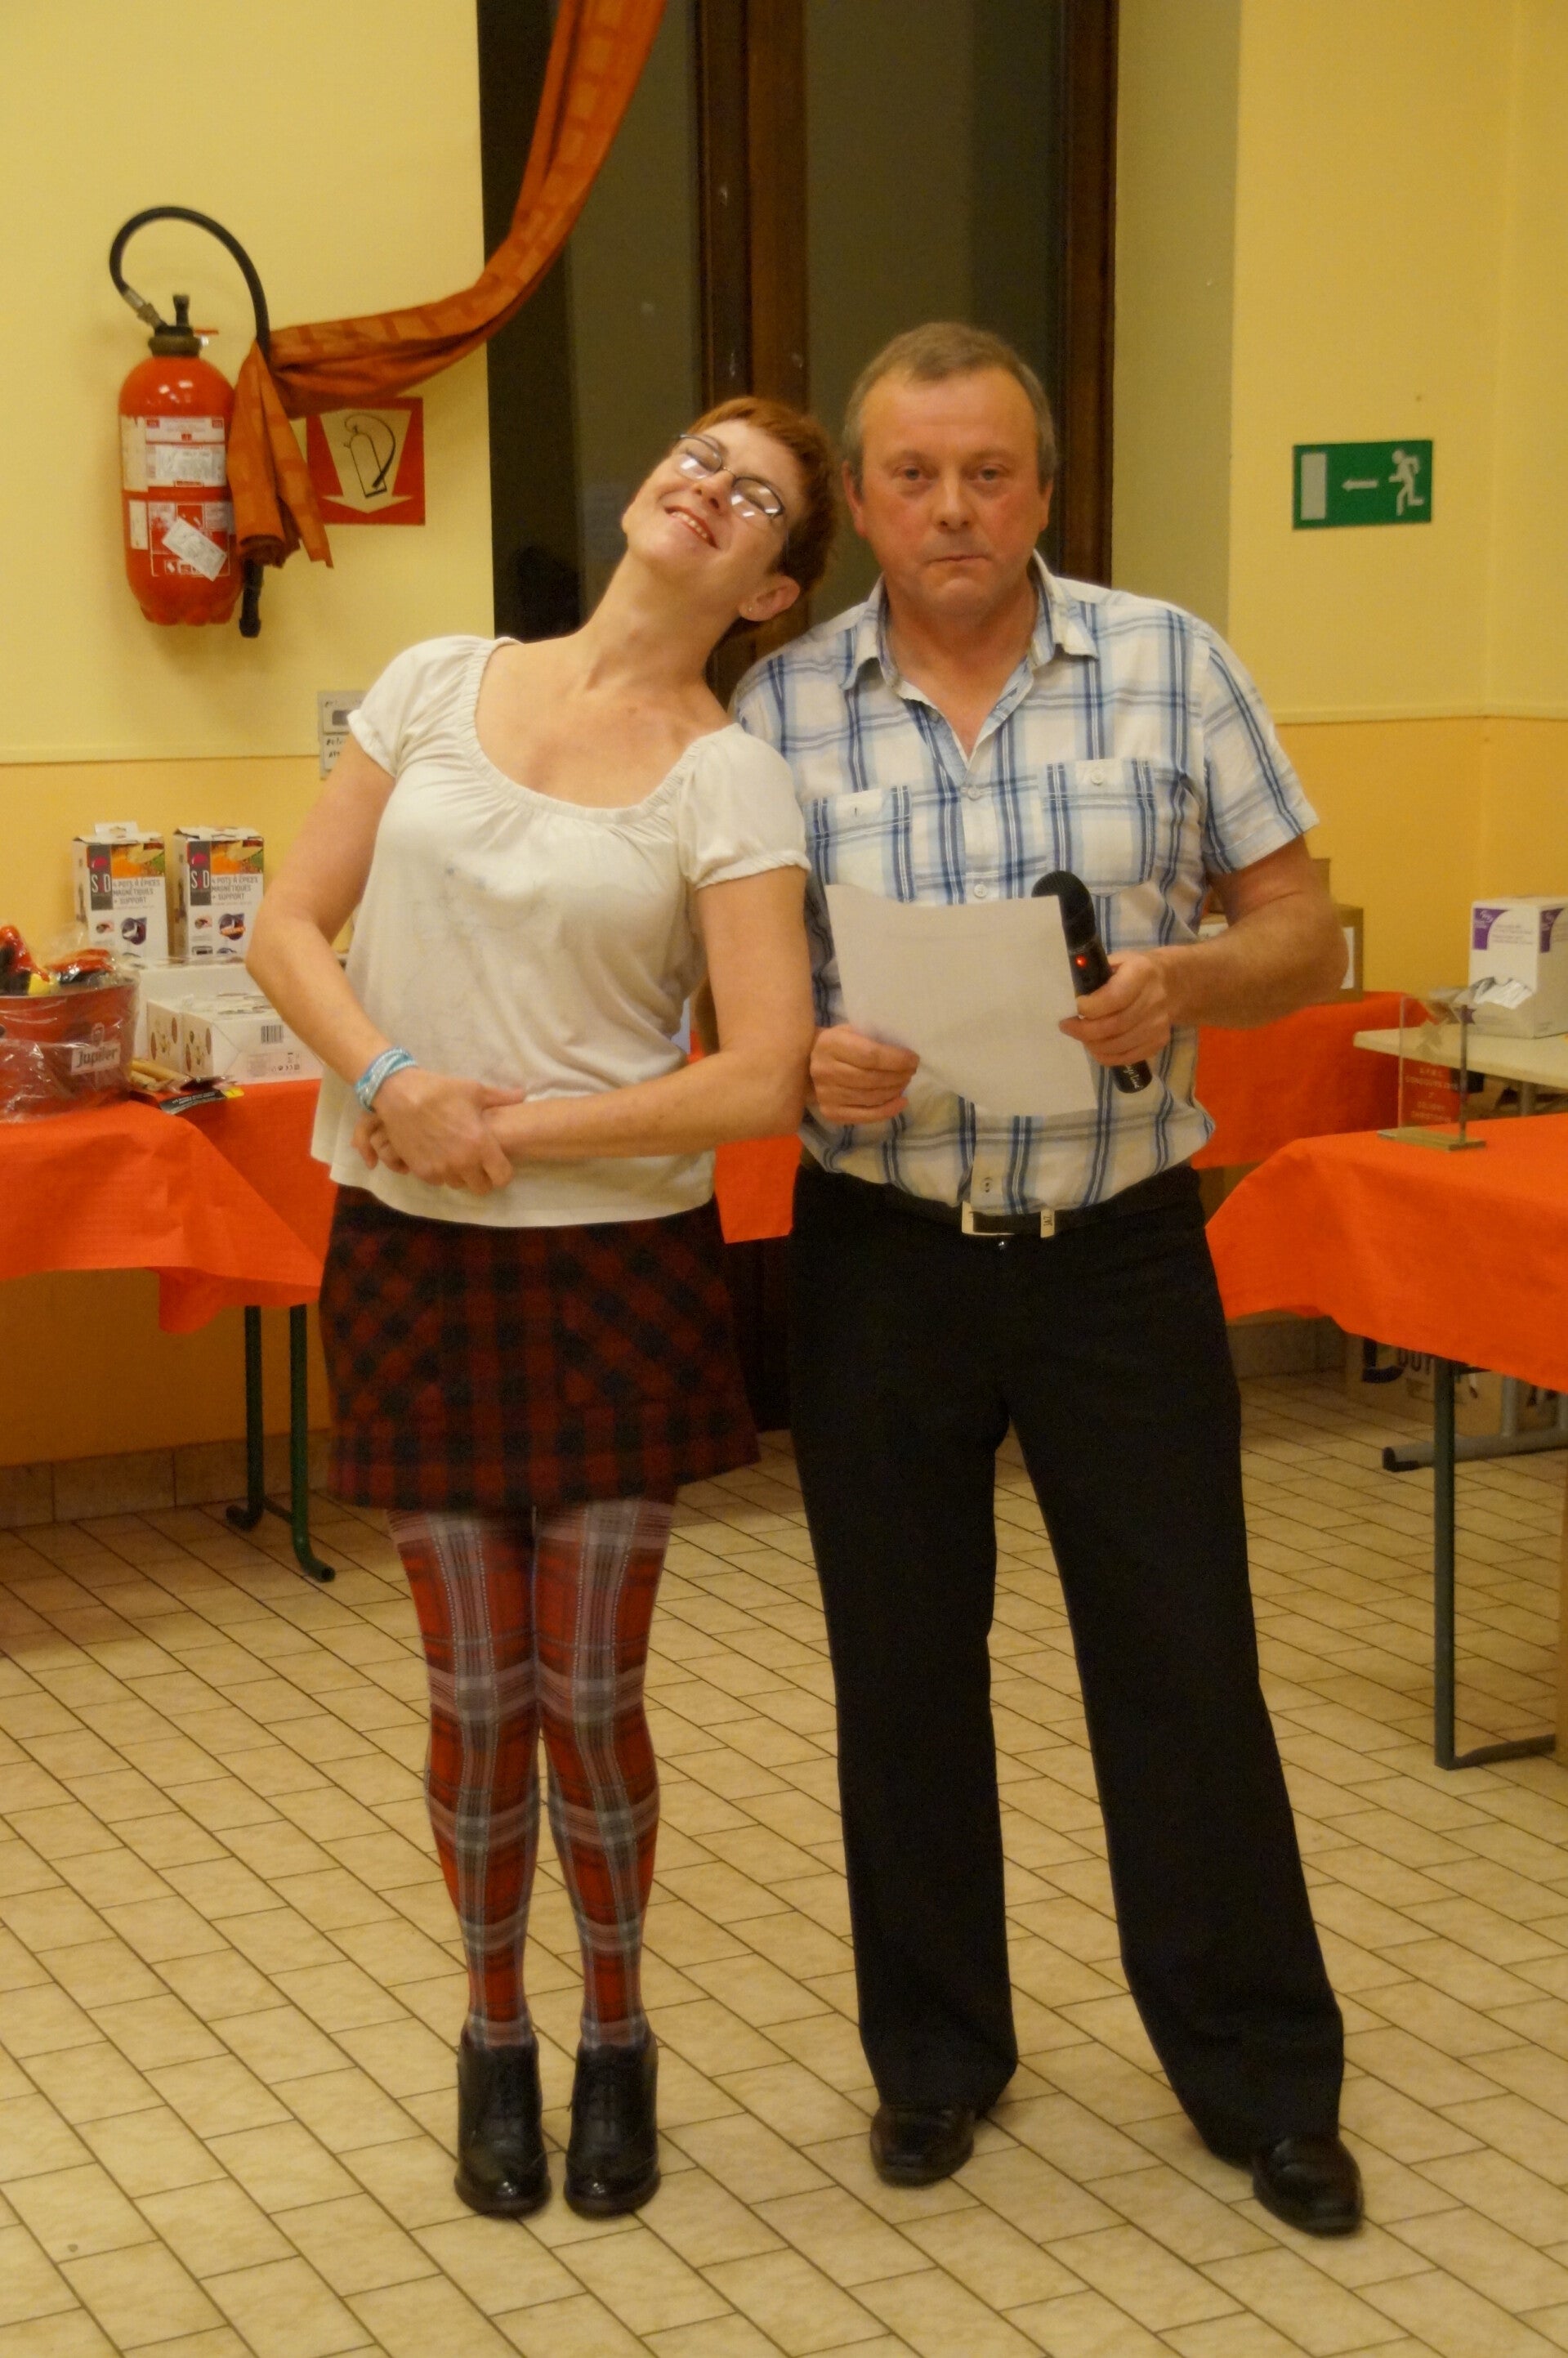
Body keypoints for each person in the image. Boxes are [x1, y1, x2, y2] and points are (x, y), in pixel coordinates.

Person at [735, 324, 1363, 2238]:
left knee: (1185, 1668)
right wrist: (806, 1059)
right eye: (914, 476)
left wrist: (1188, 980)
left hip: (1119, 1255)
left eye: (988, 472)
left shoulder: (1172, 662)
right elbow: (725, 995)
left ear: (1045, 486)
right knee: (901, 1675)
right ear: (860, 500)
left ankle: (1263, 2076)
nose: (954, 509)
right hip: (881, 1256)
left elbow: (1308, 933)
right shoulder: (773, 712)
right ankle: (936, 2061)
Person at [248, 397, 836, 2222]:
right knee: (475, 1684)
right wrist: (395, 1081)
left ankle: (620, 2032)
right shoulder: (436, 681)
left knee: (587, 1692)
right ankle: (492, 2032)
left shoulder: (730, 776)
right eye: (702, 457)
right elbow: (286, 925)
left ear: (773, 588)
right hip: (412, 1249)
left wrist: (512, 1127)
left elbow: (764, 1073)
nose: (712, 489)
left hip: (617, 1270)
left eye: (758, 498)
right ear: (649, 484)